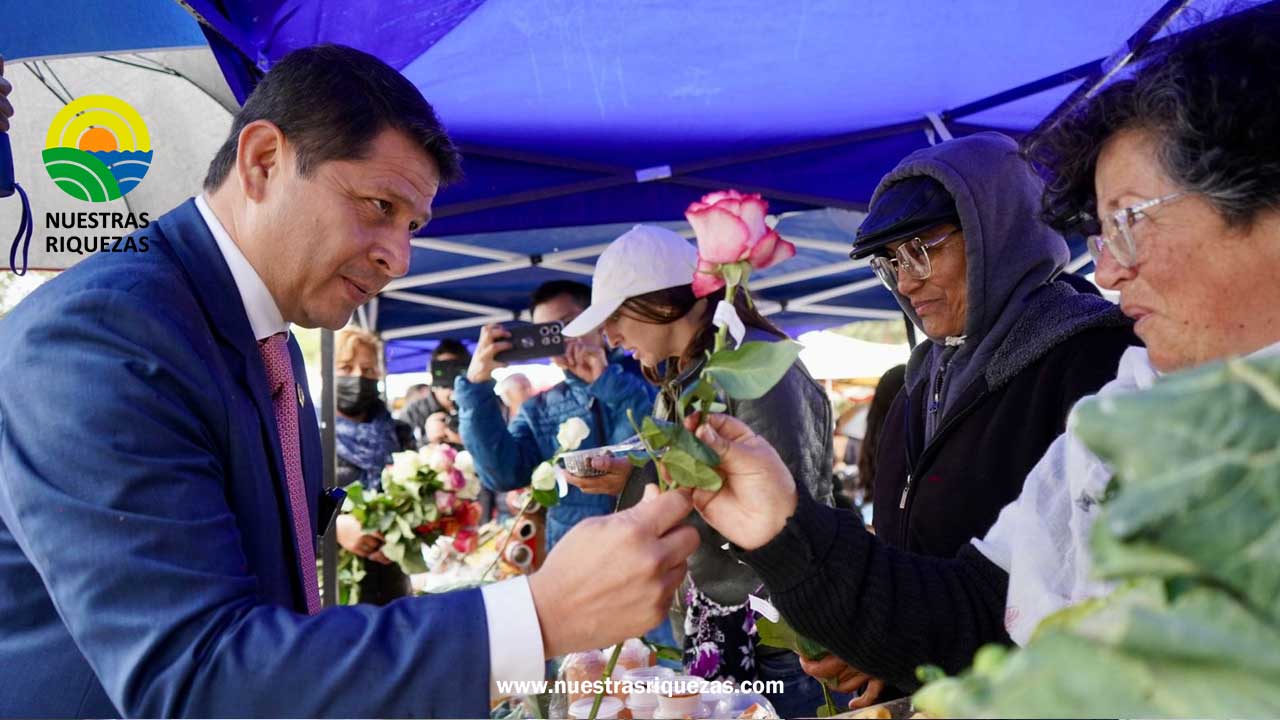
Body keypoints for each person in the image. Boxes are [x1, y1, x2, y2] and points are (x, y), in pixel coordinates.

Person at [0, 45, 699, 718]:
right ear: (264, 160)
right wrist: (539, 617)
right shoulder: (101, 338)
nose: (398, 257)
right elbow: (196, 679)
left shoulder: (263, 342)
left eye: (414, 224)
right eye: (378, 206)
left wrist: (346, 513)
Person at [678, 6, 1280, 699]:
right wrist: (783, 527)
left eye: (1128, 222)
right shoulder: (1133, 400)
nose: (1109, 271)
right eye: (889, 262)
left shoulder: (1093, 358)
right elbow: (979, 609)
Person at [558, 224, 838, 718]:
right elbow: (708, 482)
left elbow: (780, 516)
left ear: (663, 300)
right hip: (728, 627)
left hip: (777, 638)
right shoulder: (688, 375)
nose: (611, 336)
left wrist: (638, 480)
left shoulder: (755, 371)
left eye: (618, 316)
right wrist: (636, 476)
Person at [456, 280, 656, 549]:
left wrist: (608, 382)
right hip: (575, 558)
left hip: (648, 543)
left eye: (568, 324)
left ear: (599, 323)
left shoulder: (648, 375)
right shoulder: (538, 408)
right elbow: (502, 474)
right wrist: (475, 389)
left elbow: (651, 448)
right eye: (546, 332)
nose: (560, 338)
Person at [330, 327, 415, 605]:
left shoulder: (400, 433)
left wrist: (400, 538)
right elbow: (291, 511)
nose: (357, 377)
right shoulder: (309, 435)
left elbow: (418, 503)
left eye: (368, 370)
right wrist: (334, 529)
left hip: (394, 584)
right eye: (345, 367)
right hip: (335, 589)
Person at [402, 338, 470, 447]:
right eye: (443, 370)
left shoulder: (479, 407)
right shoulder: (414, 411)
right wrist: (427, 439)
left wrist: (472, 441)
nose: (449, 376)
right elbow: (401, 453)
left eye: (456, 369)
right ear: (432, 372)